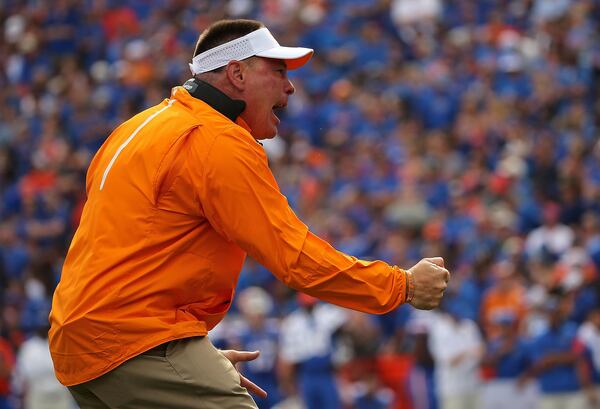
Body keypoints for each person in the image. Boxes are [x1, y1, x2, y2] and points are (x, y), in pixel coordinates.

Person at [48, 19, 450, 408]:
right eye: (278, 71)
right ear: (237, 74)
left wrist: (192, 360)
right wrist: (401, 286)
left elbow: (129, 251)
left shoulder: (136, 128)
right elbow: (294, 257)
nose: (290, 86)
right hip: (136, 340)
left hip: (80, 346)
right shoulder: (216, 140)